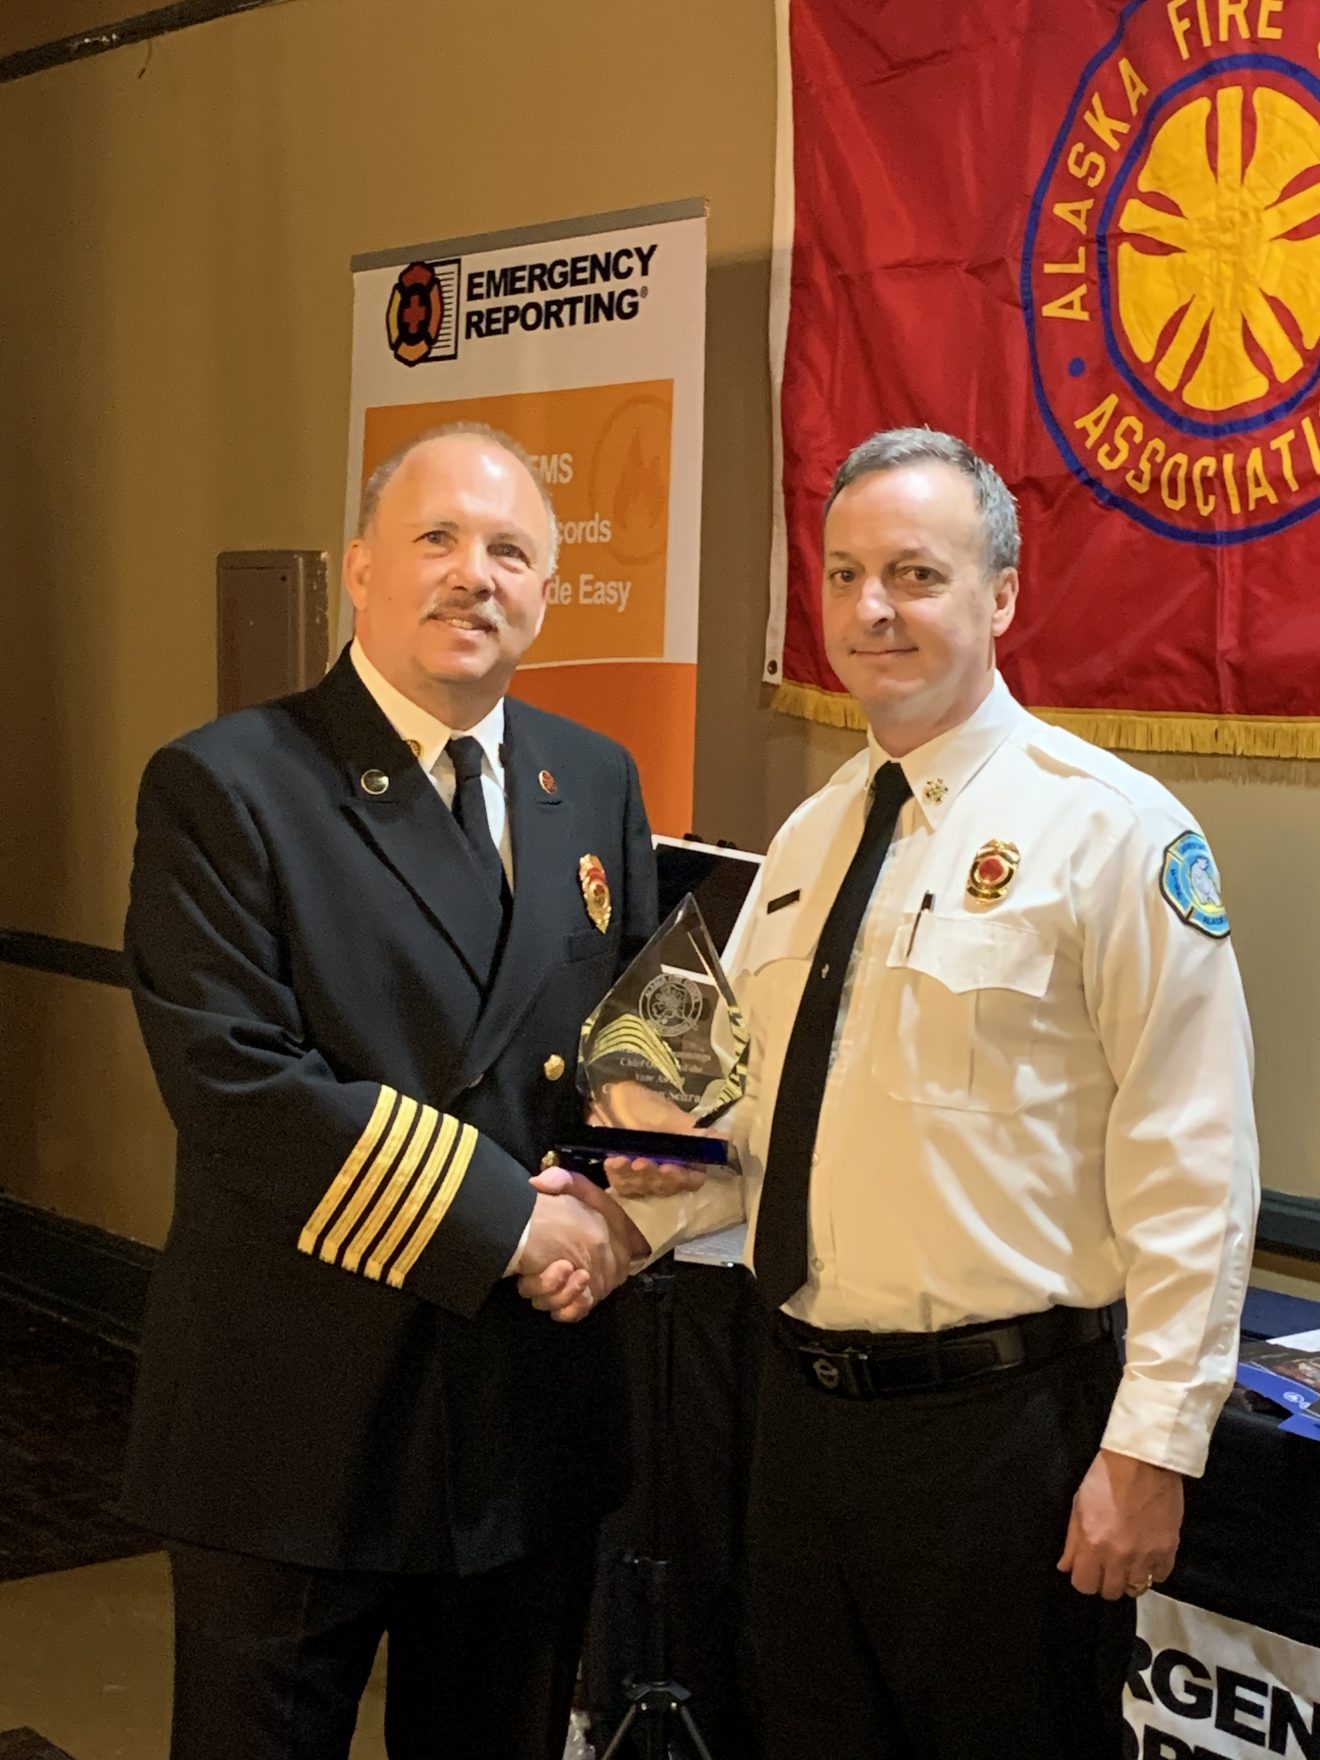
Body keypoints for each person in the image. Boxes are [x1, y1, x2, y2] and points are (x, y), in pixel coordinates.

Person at [528, 428, 1259, 1758]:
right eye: (847, 572)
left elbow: (1194, 1159)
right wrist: (611, 1219)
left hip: (1005, 1437)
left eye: (918, 573)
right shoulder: (809, 838)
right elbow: (735, 1126)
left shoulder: (1116, 831)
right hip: (795, 1421)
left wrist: (1154, 1451)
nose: (874, 608)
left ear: (1003, 595)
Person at [121, 423, 652, 1760]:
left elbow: (653, 1043)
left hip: (526, 1406)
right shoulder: (228, 781)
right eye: (436, 539)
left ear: (544, 593)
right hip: (300, 1414)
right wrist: (520, 1226)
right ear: (360, 572)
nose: (474, 574)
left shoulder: (591, 778)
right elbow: (236, 1082)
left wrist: (623, 1220)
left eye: (512, 550)